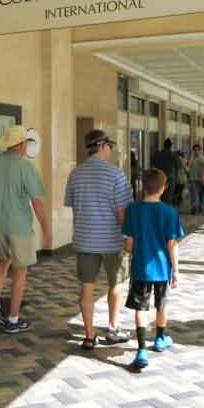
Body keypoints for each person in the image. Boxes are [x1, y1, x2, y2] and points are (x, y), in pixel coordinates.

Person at [0, 125, 52, 334]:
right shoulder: (26, 167)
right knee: (20, 271)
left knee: (2, 261)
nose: (27, 145)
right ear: (19, 145)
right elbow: (37, 203)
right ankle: (13, 319)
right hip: (18, 227)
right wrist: (47, 231)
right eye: (26, 142)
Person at [64, 130, 133, 350]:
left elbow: (75, 207)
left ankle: (89, 335)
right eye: (109, 146)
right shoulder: (116, 175)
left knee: (86, 287)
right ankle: (113, 329)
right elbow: (123, 214)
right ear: (102, 145)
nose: (111, 150)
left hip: (84, 240)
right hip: (113, 241)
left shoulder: (75, 174)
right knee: (116, 284)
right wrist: (130, 238)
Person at [122, 168, 185, 369]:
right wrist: (176, 271)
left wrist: (131, 253)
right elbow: (172, 244)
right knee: (162, 304)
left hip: (140, 267)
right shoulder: (170, 212)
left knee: (140, 308)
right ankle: (159, 338)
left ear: (143, 187)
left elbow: (129, 242)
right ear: (164, 187)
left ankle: (141, 350)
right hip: (162, 269)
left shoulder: (133, 210)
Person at [151, 138, 180, 205]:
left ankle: (159, 208)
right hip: (170, 178)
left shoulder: (158, 154)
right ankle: (167, 209)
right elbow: (178, 166)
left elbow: (153, 164)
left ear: (164, 146)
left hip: (159, 176)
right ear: (170, 146)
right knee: (169, 195)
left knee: (159, 194)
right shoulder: (173, 155)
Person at [187, 144, 204, 215]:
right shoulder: (192, 158)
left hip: (201, 179)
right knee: (194, 195)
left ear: (200, 150)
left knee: (201, 195)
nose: (196, 151)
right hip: (193, 179)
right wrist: (191, 157)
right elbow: (188, 166)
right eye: (195, 150)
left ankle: (201, 207)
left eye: (198, 150)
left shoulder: (203, 158)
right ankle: (194, 208)